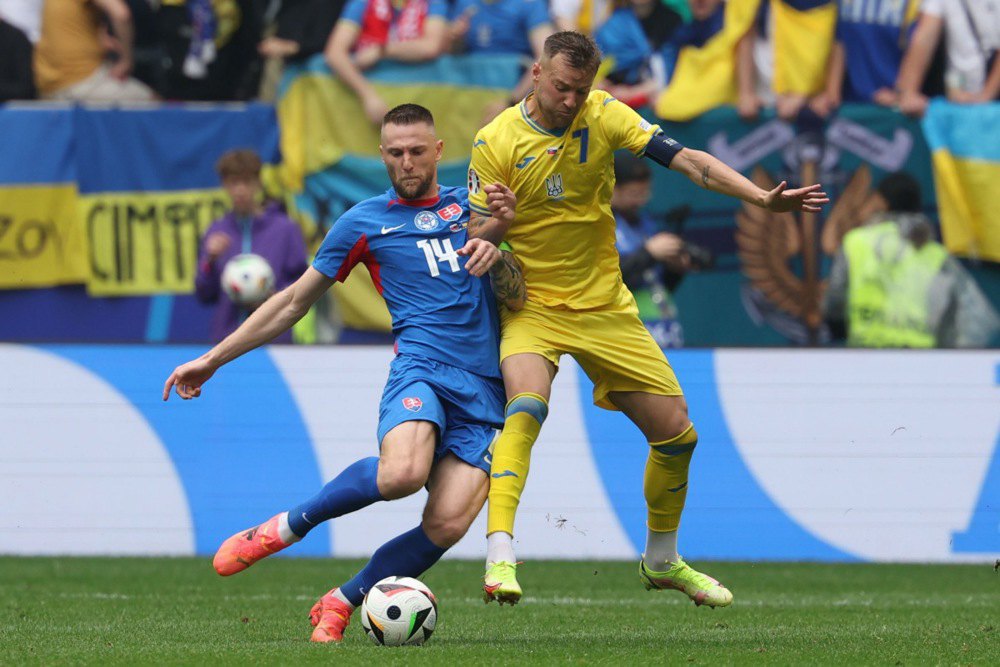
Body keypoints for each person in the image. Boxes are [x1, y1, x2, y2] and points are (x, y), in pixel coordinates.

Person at [466, 30, 827, 606]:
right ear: (536, 75)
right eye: (561, 87)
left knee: (677, 433)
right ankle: (500, 555)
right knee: (527, 406)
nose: (570, 100)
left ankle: (661, 560)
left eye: (581, 90)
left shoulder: (605, 113)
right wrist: (496, 235)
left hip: (606, 304)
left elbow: (687, 161)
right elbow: (477, 239)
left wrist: (758, 198)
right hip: (533, 305)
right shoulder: (495, 141)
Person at [164, 104, 524, 643]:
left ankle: (341, 601)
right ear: (382, 156)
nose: (407, 162)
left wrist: (500, 244)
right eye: (396, 153)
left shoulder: (473, 209)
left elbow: (519, 293)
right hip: (421, 370)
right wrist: (212, 358)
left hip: (484, 388)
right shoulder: (363, 222)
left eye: (417, 151)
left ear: (438, 151)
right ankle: (284, 527)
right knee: (402, 473)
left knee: (448, 524)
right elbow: (291, 303)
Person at [822, 172, 1000, 348]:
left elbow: (835, 303)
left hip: (866, 357)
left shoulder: (856, 242)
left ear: (882, 202)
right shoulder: (935, 255)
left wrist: (840, 329)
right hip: (920, 363)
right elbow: (978, 320)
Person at [195, 149, 309, 344]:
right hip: (226, 341)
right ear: (225, 185)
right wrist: (210, 260)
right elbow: (204, 294)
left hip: (274, 339)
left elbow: (304, 282)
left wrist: (277, 296)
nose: (240, 190)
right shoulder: (216, 230)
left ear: (258, 183)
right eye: (233, 183)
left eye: (246, 182)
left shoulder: (285, 228)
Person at [324, 0, 449, 126]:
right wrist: (368, 96)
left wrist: (382, 51)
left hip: (419, 108)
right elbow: (335, 53)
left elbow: (431, 47)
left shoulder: (434, 3)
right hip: (366, 112)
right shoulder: (362, 2)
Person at [612, 152, 692, 349]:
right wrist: (649, 253)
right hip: (625, 330)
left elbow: (654, 283)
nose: (640, 201)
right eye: (634, 194)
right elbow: (605, 280)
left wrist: (674, 268)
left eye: (645, 193)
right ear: (612, 189)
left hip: (663, 328)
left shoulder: (644, 223)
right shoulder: (601, 224)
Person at [33, 0, 155, 102]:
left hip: (47, 83)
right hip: (80, 79)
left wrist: (101, 40)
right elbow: (121, 15)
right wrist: (126, 60)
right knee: (153, 101)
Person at [895, 0, 1000, 117]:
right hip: (960, 101)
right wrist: (907, 93)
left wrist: (985, 97)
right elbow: (924, 37)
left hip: (992, 105)